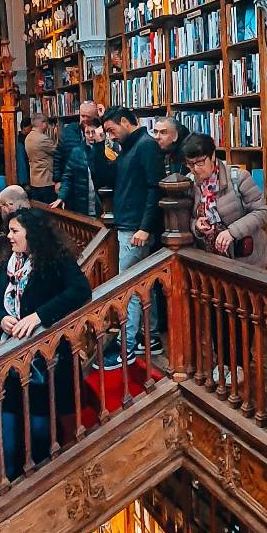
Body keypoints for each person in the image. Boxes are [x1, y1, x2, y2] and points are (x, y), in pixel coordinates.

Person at [0, 207, 91, 491]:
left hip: (45, 364)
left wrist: (39, 316)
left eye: (15, 231)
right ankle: (1, 488)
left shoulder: (55, 261)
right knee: (5, 432)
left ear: (32, 233)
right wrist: (1, 318)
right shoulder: (9, 265)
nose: (10, 237)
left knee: (41, 430)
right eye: (9, 231)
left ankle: (39, 487)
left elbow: (81, 290)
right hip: (9, 364)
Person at [98, 106, 164, 365]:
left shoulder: (146, 145)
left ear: (124, 121)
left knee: (131, 286)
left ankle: (127, 344)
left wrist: (145, 227)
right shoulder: (128, 146)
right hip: (129, 223)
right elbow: (112, 177)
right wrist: (98, 147)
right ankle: (151, 334)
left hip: (137, 227)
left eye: (112, 130)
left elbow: (154, 188)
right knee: (143, 283)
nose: (111, 136)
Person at [183, 134, 267, 267]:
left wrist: (232, 232)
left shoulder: (238, 177)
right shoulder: (190, 182)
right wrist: (196, 225)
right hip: (209, 260)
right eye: (190, 164)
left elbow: (261, 212)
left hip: (245, 259)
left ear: (212, 156)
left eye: (200, 162)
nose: (195, 169)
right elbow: (186, 217)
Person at [53, 120, 97, 216]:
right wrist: (61, 197)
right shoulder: (77, 152)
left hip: (100, 205)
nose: (90, 136)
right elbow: (67, 176)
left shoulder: (105, 151)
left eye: (93, 132)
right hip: (81, 203)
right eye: (87, 133)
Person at [25, 114, 57, 204]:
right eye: (46, 123)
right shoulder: (42, 138)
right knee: (50, 211)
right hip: (46, 180)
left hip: (34, 179)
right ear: (43, 123)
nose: (47, 126)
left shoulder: (28, 137)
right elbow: (56, 151)